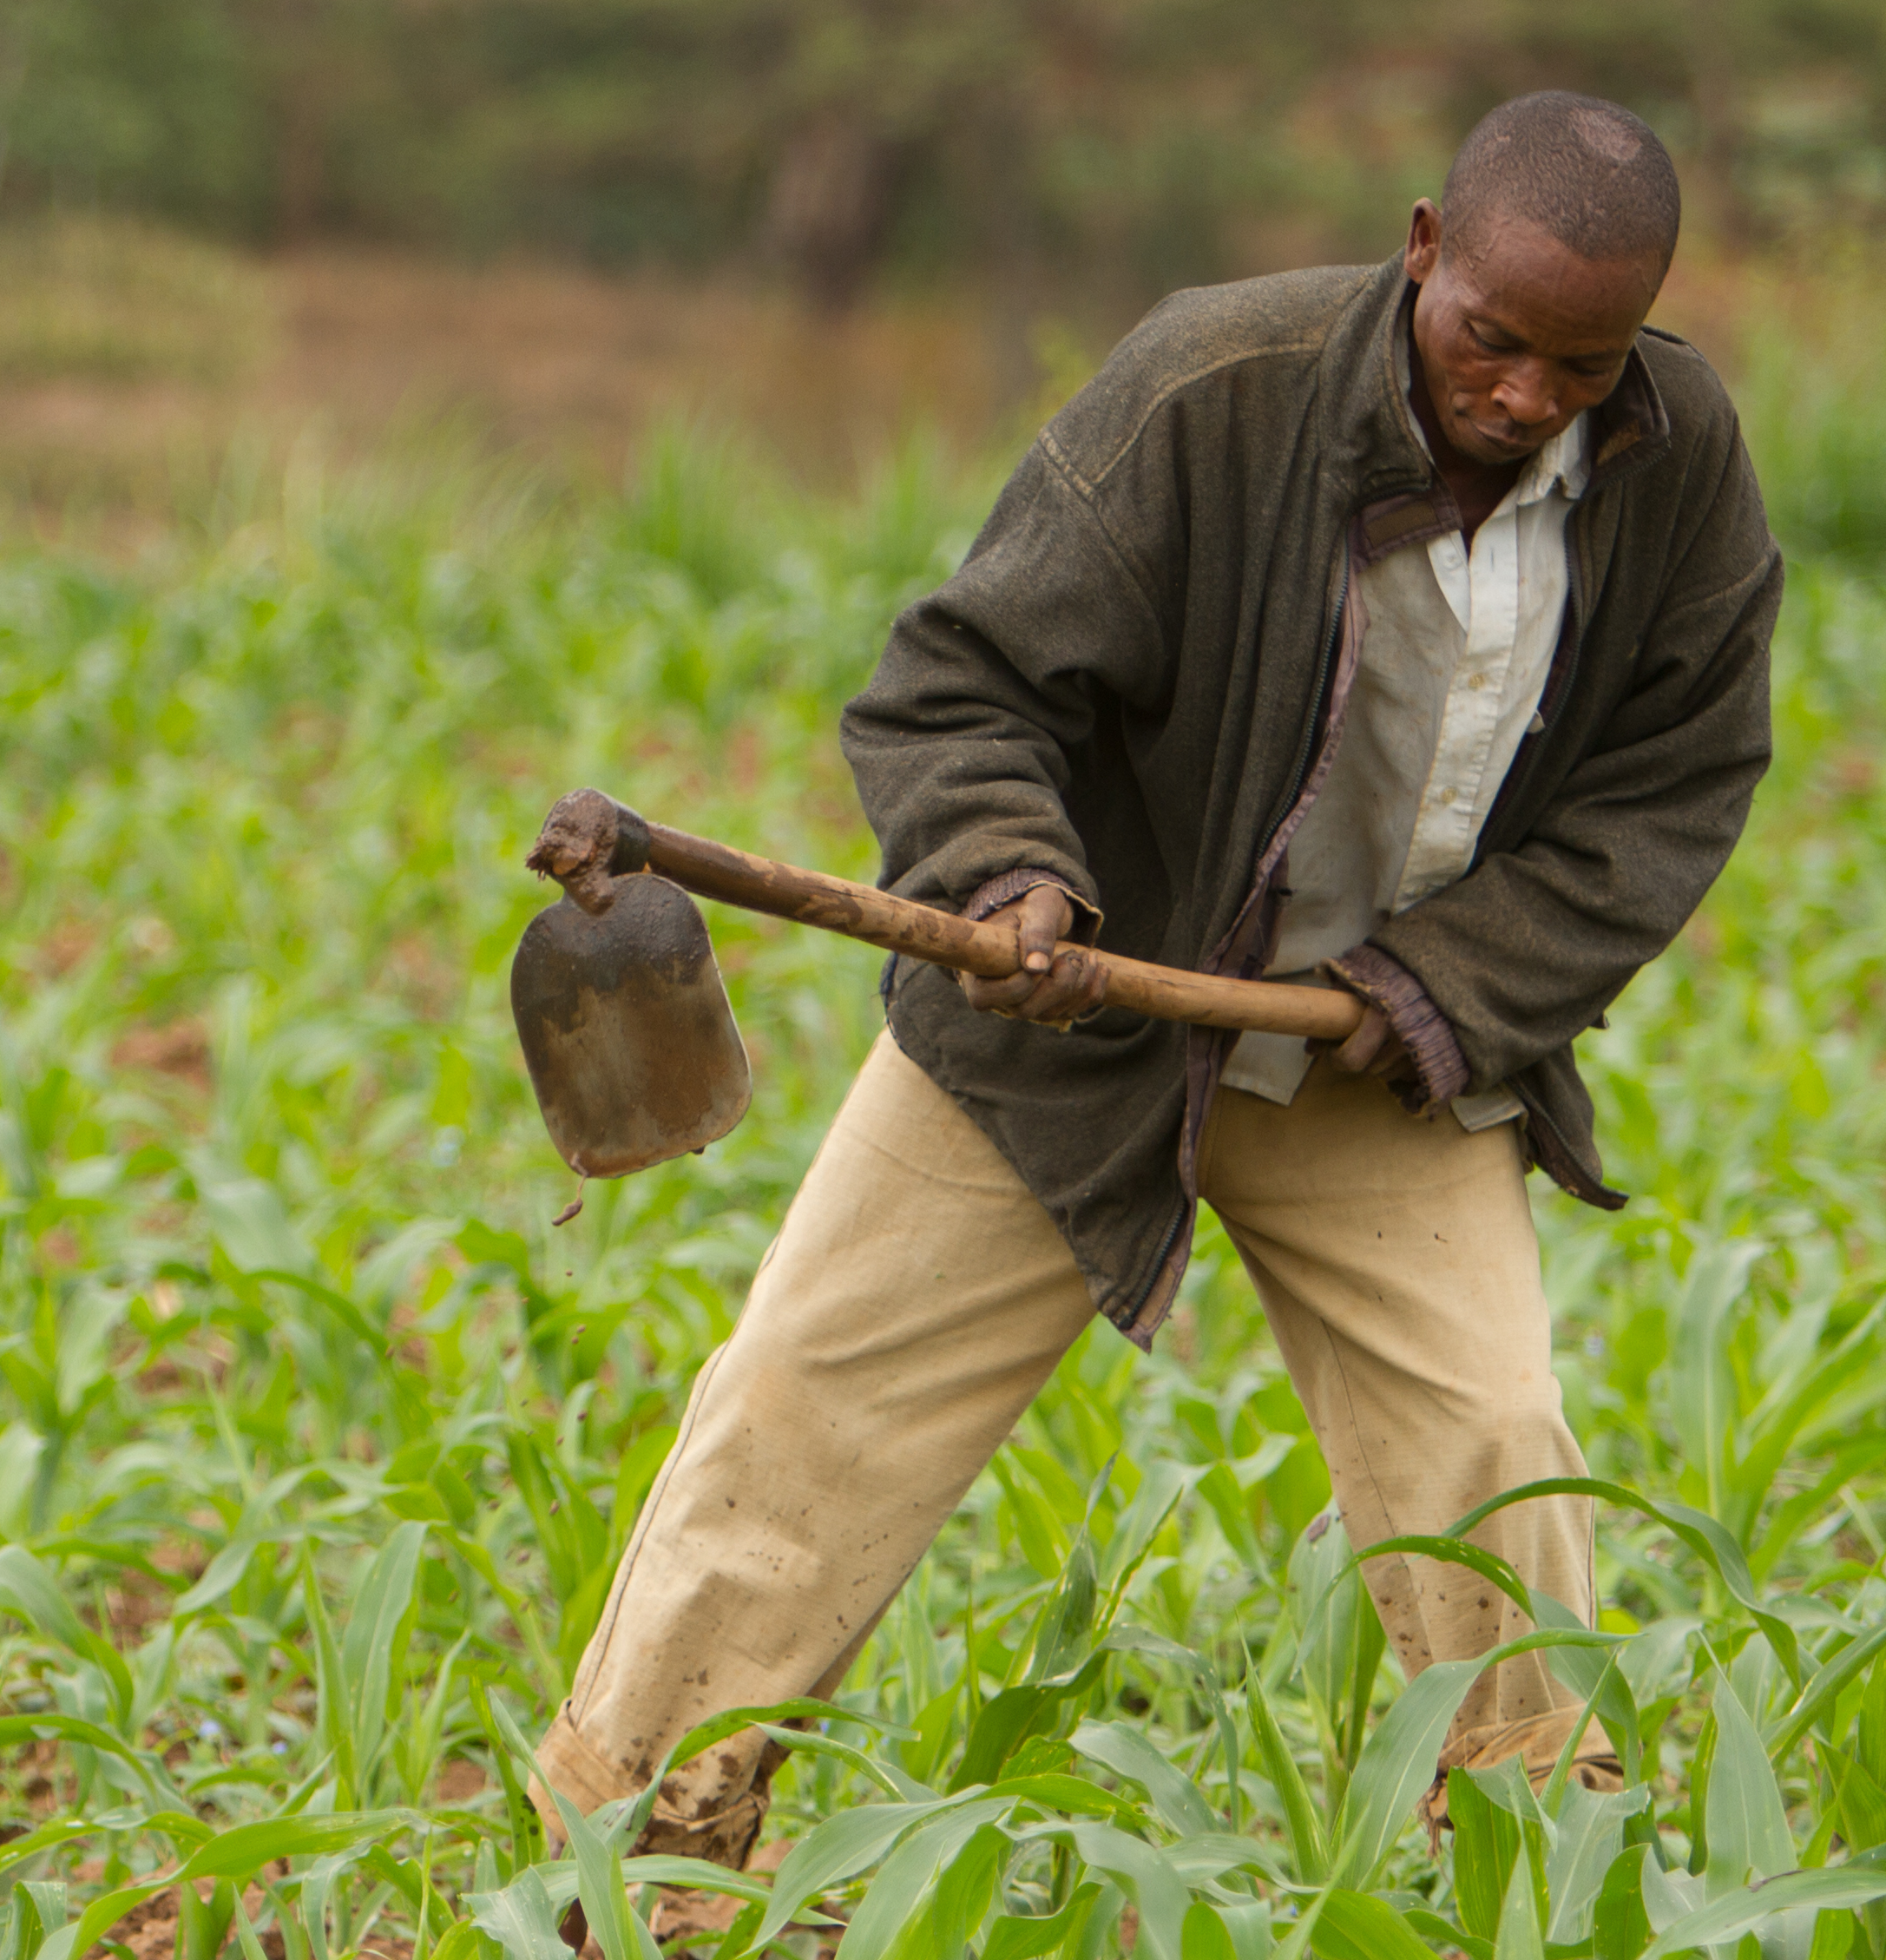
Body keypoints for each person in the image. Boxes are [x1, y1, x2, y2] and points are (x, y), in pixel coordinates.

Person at [535, 91, 1780, 1868]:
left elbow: (1676, 785)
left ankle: (1543, 1896)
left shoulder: (1677, 459)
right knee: (807, 1410)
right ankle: (618, 1868)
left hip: (1384, 1046)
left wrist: (1437, 987)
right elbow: (960, 686)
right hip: (1076, 1031)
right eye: (1492, 341)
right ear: (1423, 247)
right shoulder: (1217, 388)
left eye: (1578, 369)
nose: (1522, 400)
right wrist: (1011, 879)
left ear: (1639, 338)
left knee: (1495, 1440)